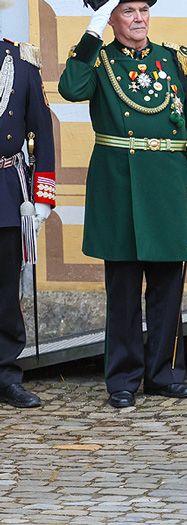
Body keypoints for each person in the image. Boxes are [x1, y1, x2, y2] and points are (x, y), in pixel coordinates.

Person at [58, 0, 187, 409]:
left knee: (168, 286)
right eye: (128, 11)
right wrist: (91, 34)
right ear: (111, 19)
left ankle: (163, 374)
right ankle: (123, 379)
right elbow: (70, 89)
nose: (139, 18)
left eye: (143, 9)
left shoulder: (174, 60)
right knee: (124, 290)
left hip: (167, 183)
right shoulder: (99, 60)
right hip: (120, 187)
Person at [0, 2, 55, 408]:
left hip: (5, 189)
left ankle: (5, 374)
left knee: (5, 289)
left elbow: (42, 130)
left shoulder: (20, 62)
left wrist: (43, 197)